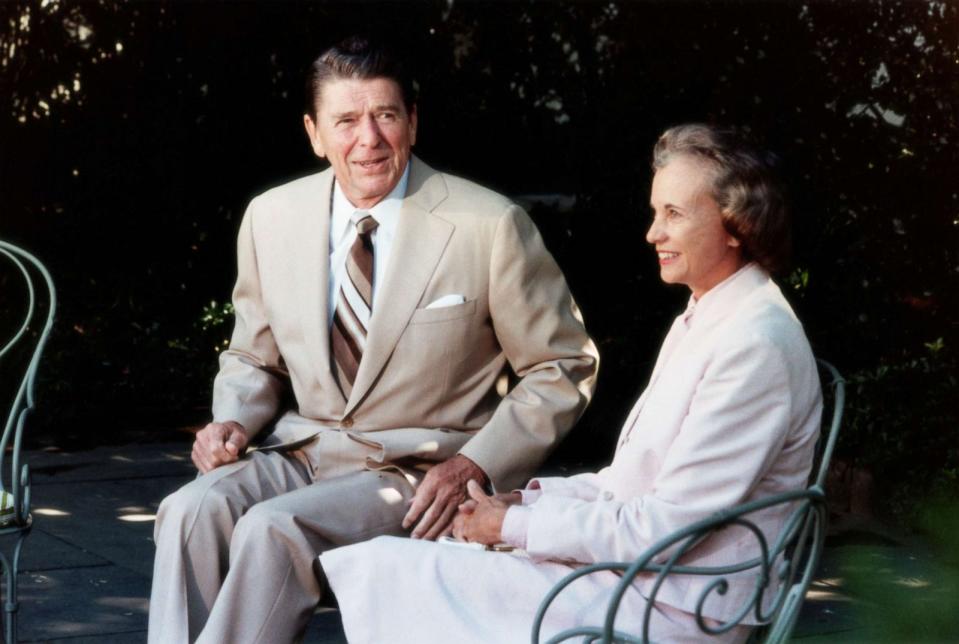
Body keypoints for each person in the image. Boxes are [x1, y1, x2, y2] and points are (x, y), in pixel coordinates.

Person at [147, 36, 598, 644]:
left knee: (273, 530)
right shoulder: (270, 216)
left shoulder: (488, 224)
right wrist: (231, 420)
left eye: (386, 115)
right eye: (346, 121)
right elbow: (255, 355)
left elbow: (562, 365)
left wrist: (477, 462)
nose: (369, 138)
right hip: (301, 453)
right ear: (313, 133)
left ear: (413, 120)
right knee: (189, 509)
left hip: (416, 472)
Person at [320, 123, 823, 643]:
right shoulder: (712, 314)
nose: (654, 233)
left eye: (674, 214)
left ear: (736, 224)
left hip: (673, 607)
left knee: (393, 567)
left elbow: (666, 529)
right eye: (656, 213)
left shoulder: (754, 343)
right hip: (641, 580)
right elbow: (628, 483)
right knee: (419, 560)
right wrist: (520, 505)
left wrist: (510, 528)